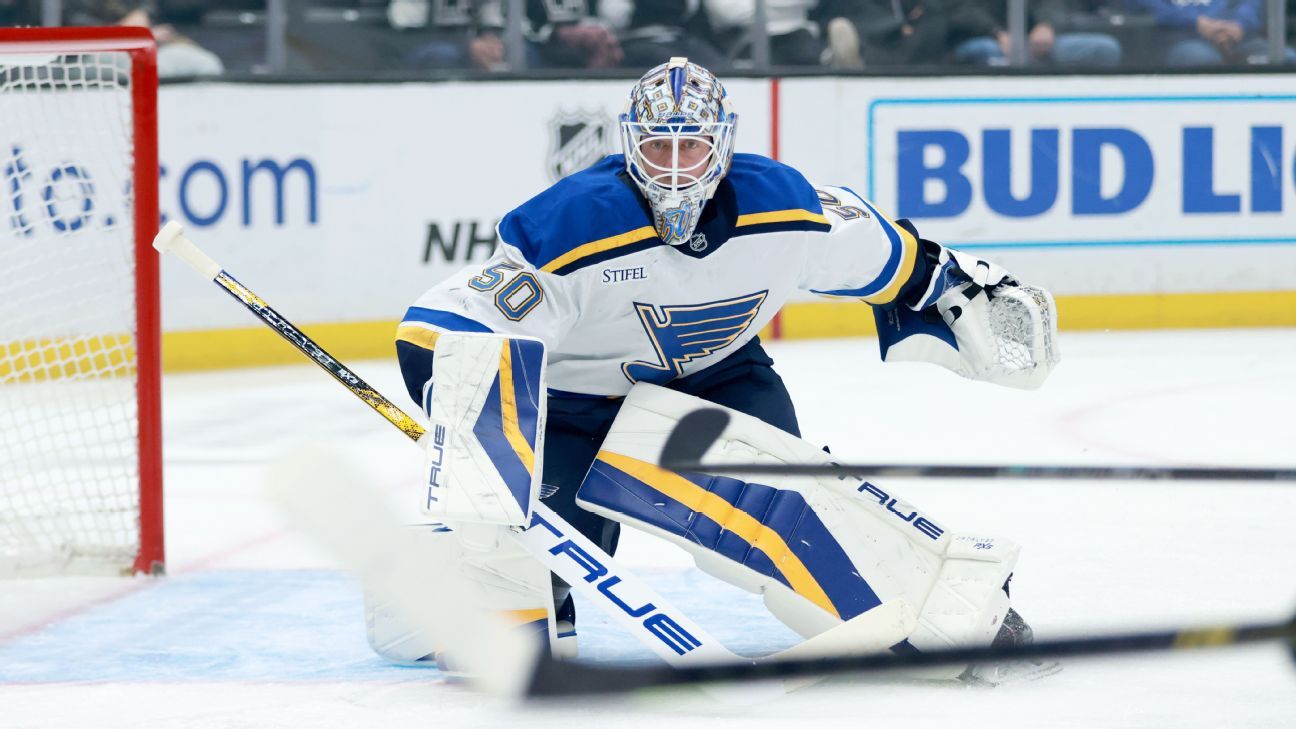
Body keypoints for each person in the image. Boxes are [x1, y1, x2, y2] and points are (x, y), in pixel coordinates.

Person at [382, 58, 1058, 673]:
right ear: (630, 144)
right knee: (520, 588)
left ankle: (937, 612)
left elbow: (901, 264)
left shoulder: (789, 210)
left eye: (693, 146)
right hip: (568, 409)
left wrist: (964, 290)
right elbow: (444, 326)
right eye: (658, 146)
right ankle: (442, 585)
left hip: (717, 384)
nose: (675, 167)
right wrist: (465, 410)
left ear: (723, 145)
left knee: (802, 510)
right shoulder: (572, 226)